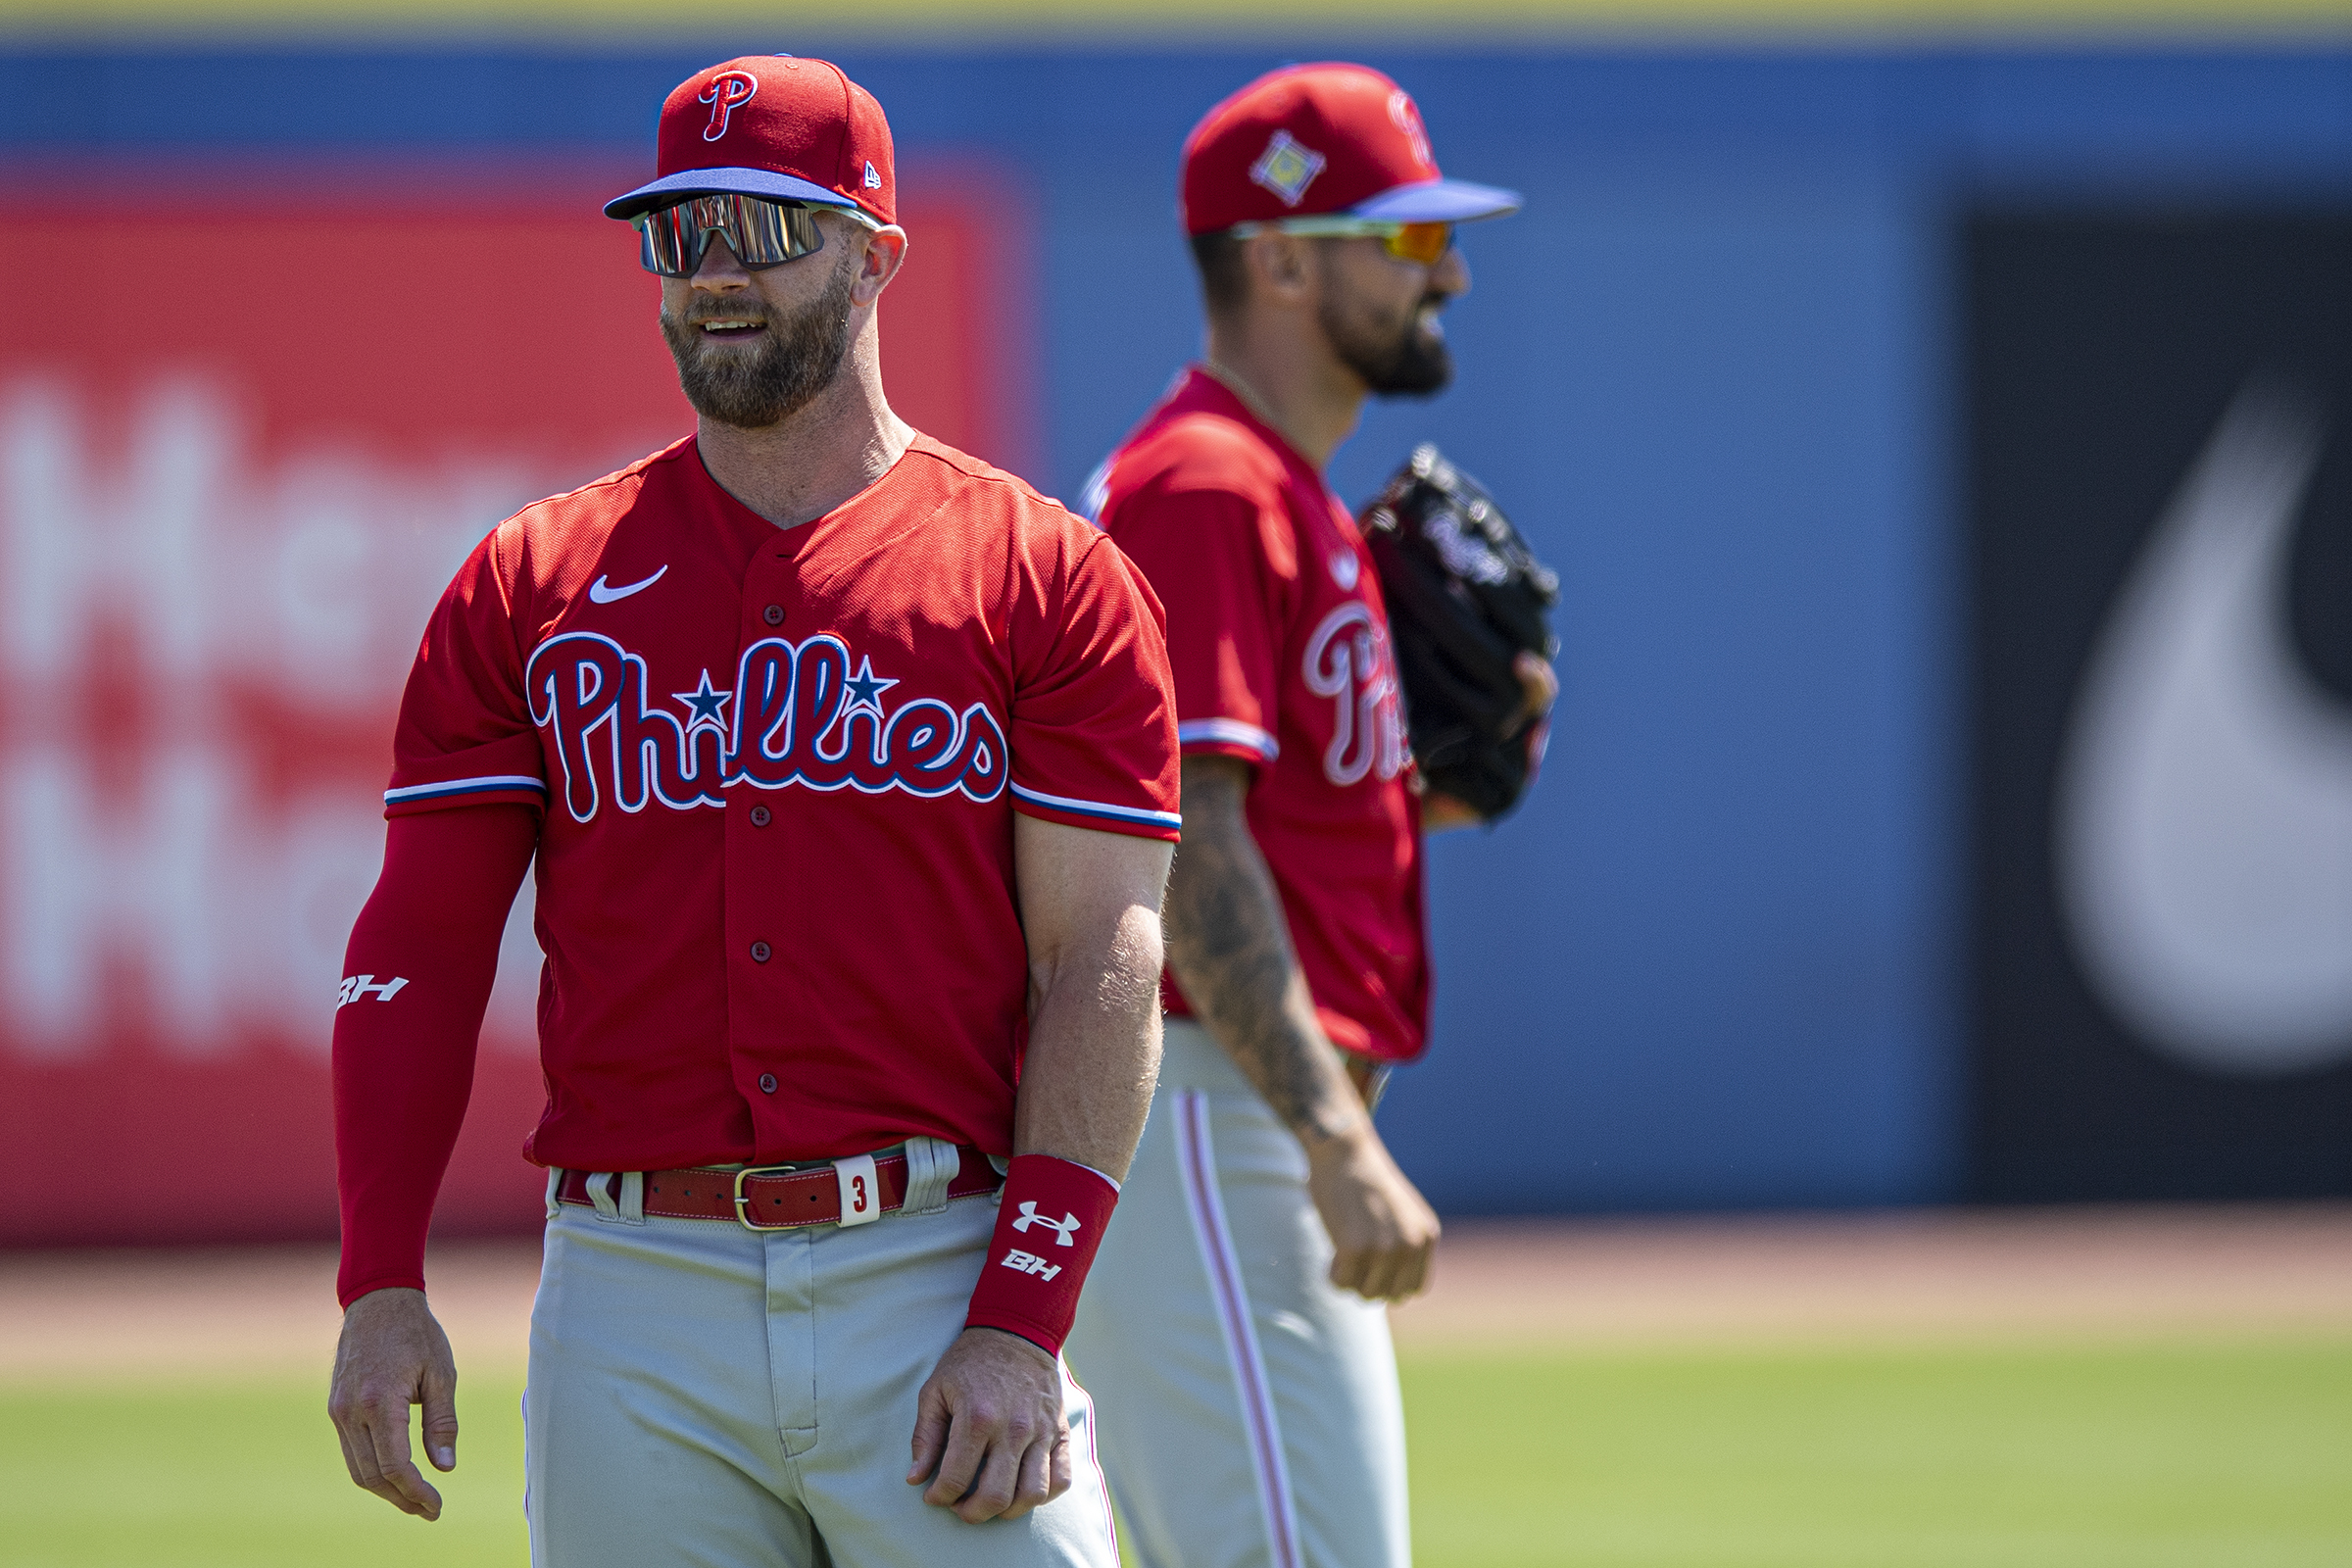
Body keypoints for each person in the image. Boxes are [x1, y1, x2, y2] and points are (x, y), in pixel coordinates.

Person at [324, 55, 1180, 1568]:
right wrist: (380, 1280)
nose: (715, 273)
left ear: (876, 254)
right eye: (678, 233)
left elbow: (1102, 960)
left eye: (767, 229)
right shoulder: (533, 581)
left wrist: (1022, 1319)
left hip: (932, 1263)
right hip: (634, 1293)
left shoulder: (1040, 574)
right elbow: (421, 946)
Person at [1065, 63, 1554, 1568]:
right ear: (1279, 257)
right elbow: (1187, 844)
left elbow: (1278, 829)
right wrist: (1338, 1146)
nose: (1451, 271)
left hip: (1243, 1125)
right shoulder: (1203, 485)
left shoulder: (1280, 492)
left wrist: (1425, 799)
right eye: (1406, 241)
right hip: (1213, 1122)